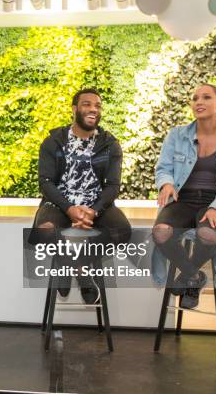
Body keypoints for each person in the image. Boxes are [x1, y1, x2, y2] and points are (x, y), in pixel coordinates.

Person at [152, 83, 216, 309]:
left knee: (208, 234)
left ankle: (186, 279)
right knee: (161, 233)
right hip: (182, 200)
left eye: (206, 97)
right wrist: (166, 183)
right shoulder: (177, 135)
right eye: (195, 98)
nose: (199, 102)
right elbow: (163, 168)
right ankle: (193, 277)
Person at [34, 88, 131, 304]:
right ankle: (81, 271)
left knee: (122, 231)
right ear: (74, 109)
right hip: (59, 203)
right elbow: (46, 183)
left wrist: (93, 210)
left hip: (96, 204)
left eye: (97, 106)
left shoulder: (110, 144)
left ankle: (69, 263)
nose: (93, 109)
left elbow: (113, 185)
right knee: (44, 232)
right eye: (87, 104)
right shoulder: (53, 141)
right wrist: (69, 208)